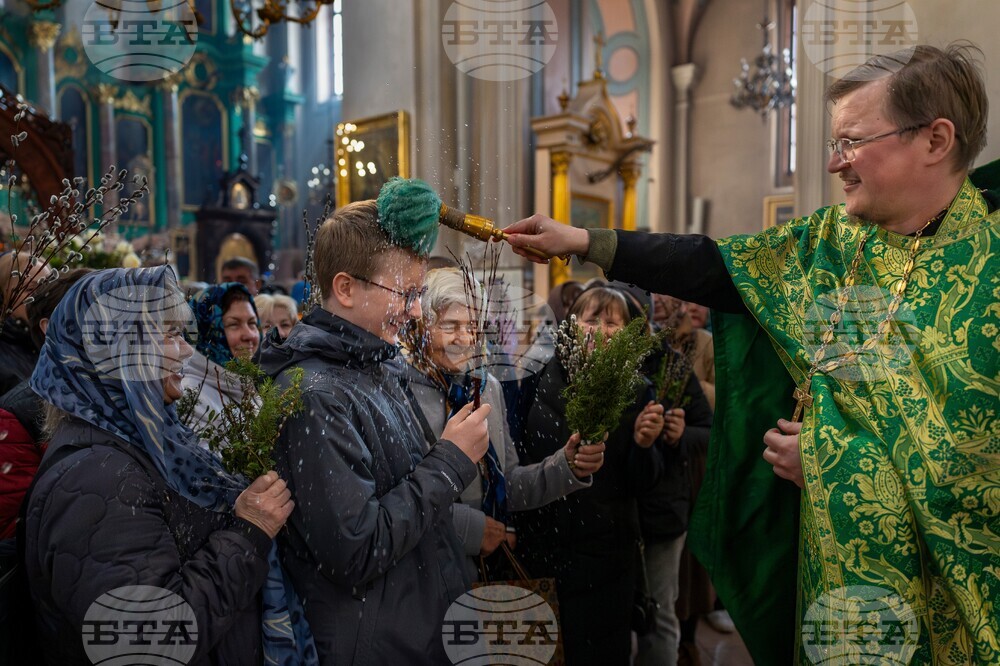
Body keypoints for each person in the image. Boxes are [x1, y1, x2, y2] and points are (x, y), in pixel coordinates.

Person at [503, 43, 998, 665]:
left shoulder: (989, 275)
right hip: (832, 578)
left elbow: (976, 471)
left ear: (935, 140)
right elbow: (717, 266)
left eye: (851, 142)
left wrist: (824, 460)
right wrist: (581, 240)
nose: (834, 162)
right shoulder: (833, 241)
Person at [23, 266, 315, 664]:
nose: (185, 351)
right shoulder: (99, 479)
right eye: (169, 336)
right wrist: (249, 533)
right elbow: (146, 642)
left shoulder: (143, 442)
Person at [258, 199, 492, 665]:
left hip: (416, 628)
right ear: (345, 288)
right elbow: (355, 548)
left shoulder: (378, 366)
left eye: (418, 294)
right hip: (375, 643)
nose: (414, 311)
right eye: (404, 293)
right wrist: (450, 460)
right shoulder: (315, 395)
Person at [399, 267, 604, 580]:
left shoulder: (487, 387)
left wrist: (566, 466)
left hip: (483, 574)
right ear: (423, 326)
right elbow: (399, 504)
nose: (464, 339)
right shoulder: (399, 391)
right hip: (422, 575)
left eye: (473, 327)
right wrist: (471, 528)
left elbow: (507, 484)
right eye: (450, 326)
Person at [514, 287, 666, 666]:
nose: (600, 330)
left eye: (612, 322)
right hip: (543, 547)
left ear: (628, 333)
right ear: (572, 326)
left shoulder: (637, 391)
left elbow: (644, 484)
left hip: (607, 558)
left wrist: (644, 445)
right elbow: (519, 456)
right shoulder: (536, 379)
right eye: (590, 319)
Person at [181, 283, 261, 438]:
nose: (249, 335)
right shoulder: (193, 399)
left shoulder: (242, 386)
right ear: (206, 332)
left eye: (252, 323)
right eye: (233, 324)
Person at [0, 252, 52, 395]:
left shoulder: (50, 344)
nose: (42, 296)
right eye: (30, 289)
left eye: (47, 288)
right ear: (3, 295)